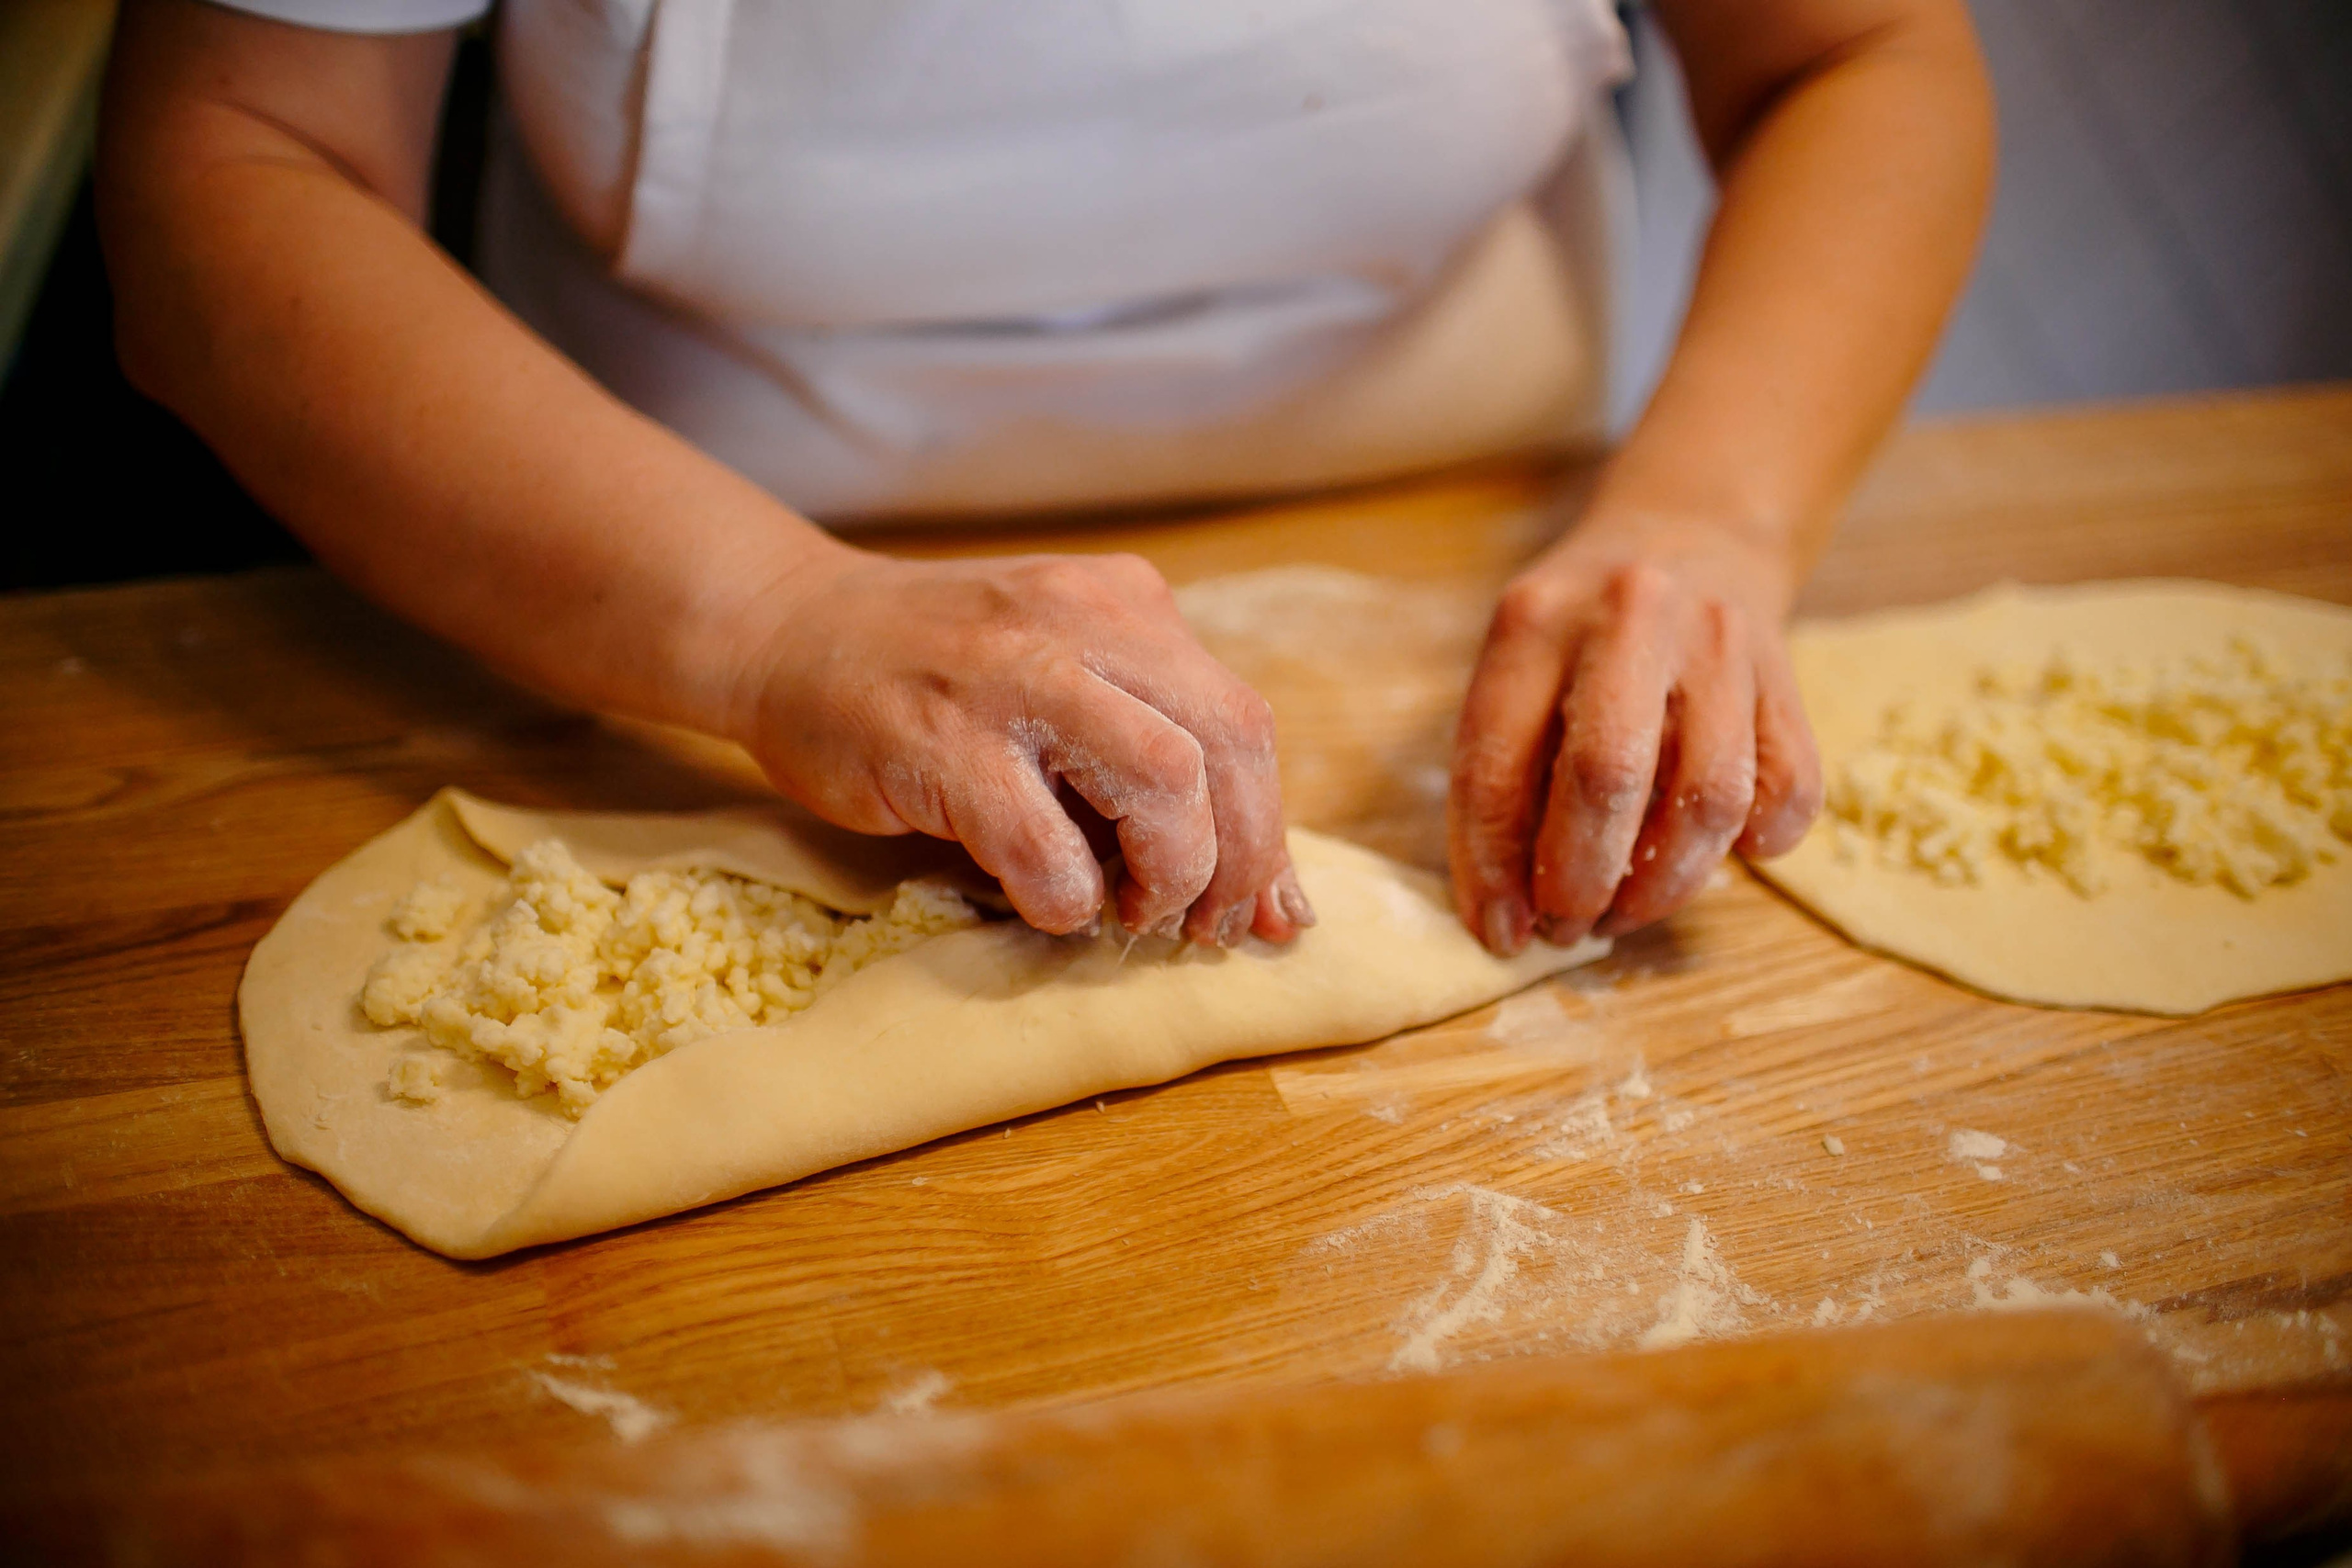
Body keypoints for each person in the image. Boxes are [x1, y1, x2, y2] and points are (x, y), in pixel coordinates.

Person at [96, 0, 1992, 955]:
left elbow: (1862, 50)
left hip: (1474, 485)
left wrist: (1710, 515)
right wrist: (768, 615)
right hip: (617, 555)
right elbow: (234, 165)